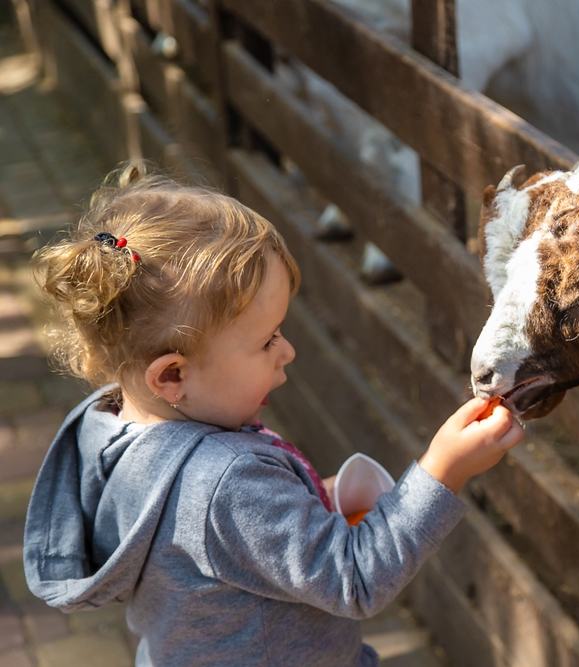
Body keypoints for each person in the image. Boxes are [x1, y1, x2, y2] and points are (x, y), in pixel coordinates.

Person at [21, 163, 523, 666]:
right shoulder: (227, 483)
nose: (288, 351)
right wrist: (443, 471)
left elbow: (206, 544)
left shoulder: (111, 429)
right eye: (267, 341)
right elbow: (354, 578)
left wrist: (307, 499)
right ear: (172, 377)